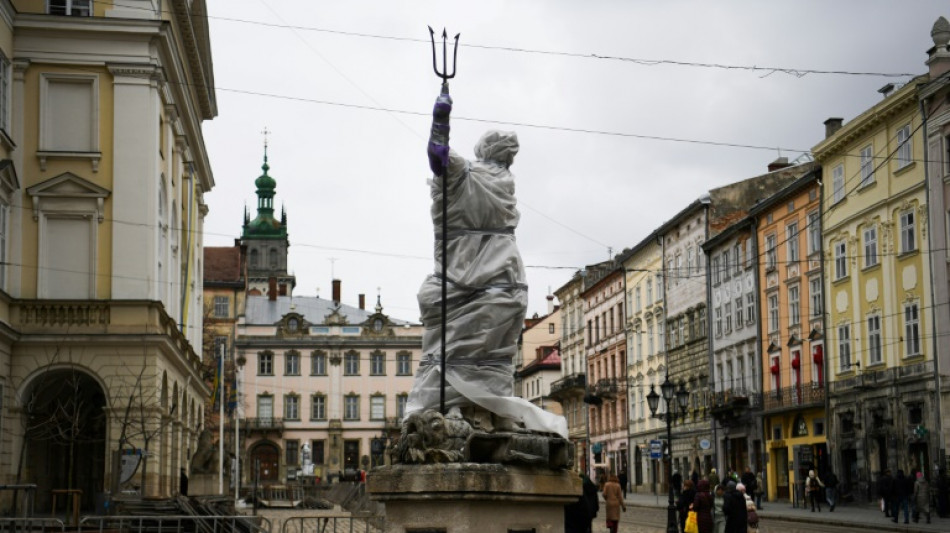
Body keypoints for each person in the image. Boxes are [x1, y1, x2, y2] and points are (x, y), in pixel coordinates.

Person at [404, 87, 567, 438]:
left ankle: (469, 406)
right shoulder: (501, 180)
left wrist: (440, 119)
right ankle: (490, 406)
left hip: (463, 272)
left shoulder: (470, 176)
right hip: (506, 275)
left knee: (461, 344)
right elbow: (440, 158)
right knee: (496, 345)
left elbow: (437, 155)